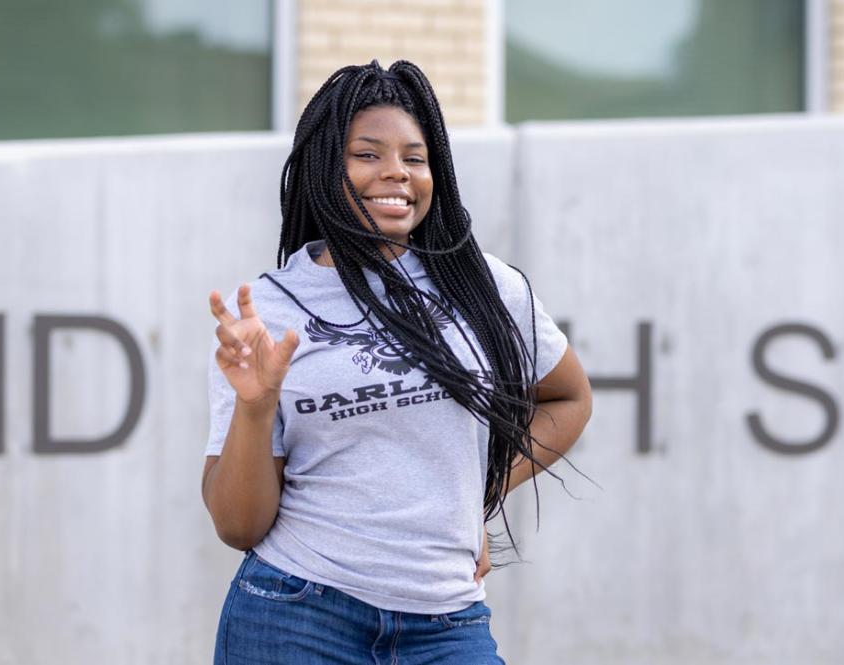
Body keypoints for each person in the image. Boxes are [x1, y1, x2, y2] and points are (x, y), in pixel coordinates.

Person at [203, 60, 592, 664]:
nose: (396, 174)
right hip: (297, 613)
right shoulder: (266, 312)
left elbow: (567, 399)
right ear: (324, 167)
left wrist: (479, 496)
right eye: (367, 154)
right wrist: (254, 408)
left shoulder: (485, 285)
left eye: (415, 157)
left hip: (448, 623)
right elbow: (239, 526)